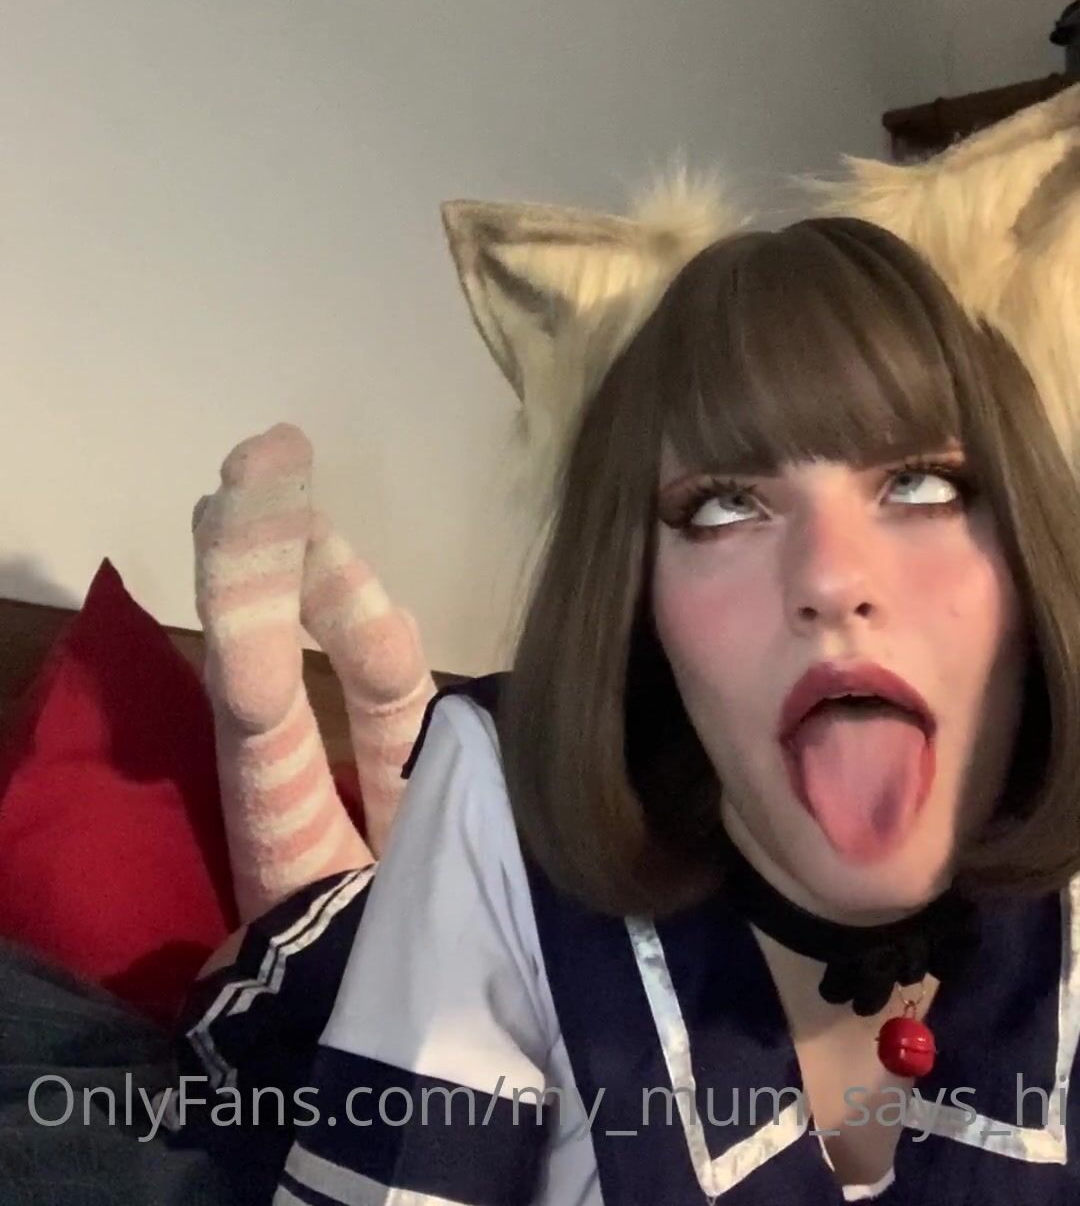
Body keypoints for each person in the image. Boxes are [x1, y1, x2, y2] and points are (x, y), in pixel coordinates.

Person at [169, 213, 1080, 1205]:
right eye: (724, 506)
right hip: (327, 961)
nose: (831, 578)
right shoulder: (505, 789)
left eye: (921, 483)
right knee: (312, 919)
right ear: (642, 604)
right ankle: (343, 694)